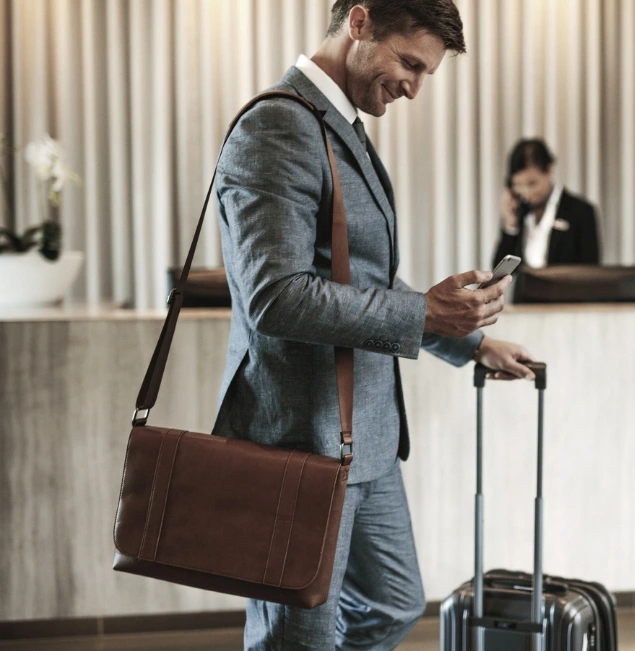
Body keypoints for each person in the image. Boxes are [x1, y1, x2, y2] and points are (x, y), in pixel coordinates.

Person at [211, 2, 534, 649]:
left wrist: (469, 342)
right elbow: (275, 296)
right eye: (410, 63)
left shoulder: (343, 128)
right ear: (358, 23)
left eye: (426, 73)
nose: (415, 86)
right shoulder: (278, 125)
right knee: (297, 636)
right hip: (301, 440)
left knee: (392, 602)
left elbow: (360, 284)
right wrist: (423, 313)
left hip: (366, 440)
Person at [492, 139, 601, 270]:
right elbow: (500, 270)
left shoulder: (581, 211)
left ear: (549, 169)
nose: (526, 192)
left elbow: (590, 272)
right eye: (519, 185)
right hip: (525, 291)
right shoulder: (518, 211)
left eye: (532, 183)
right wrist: (510, 226)